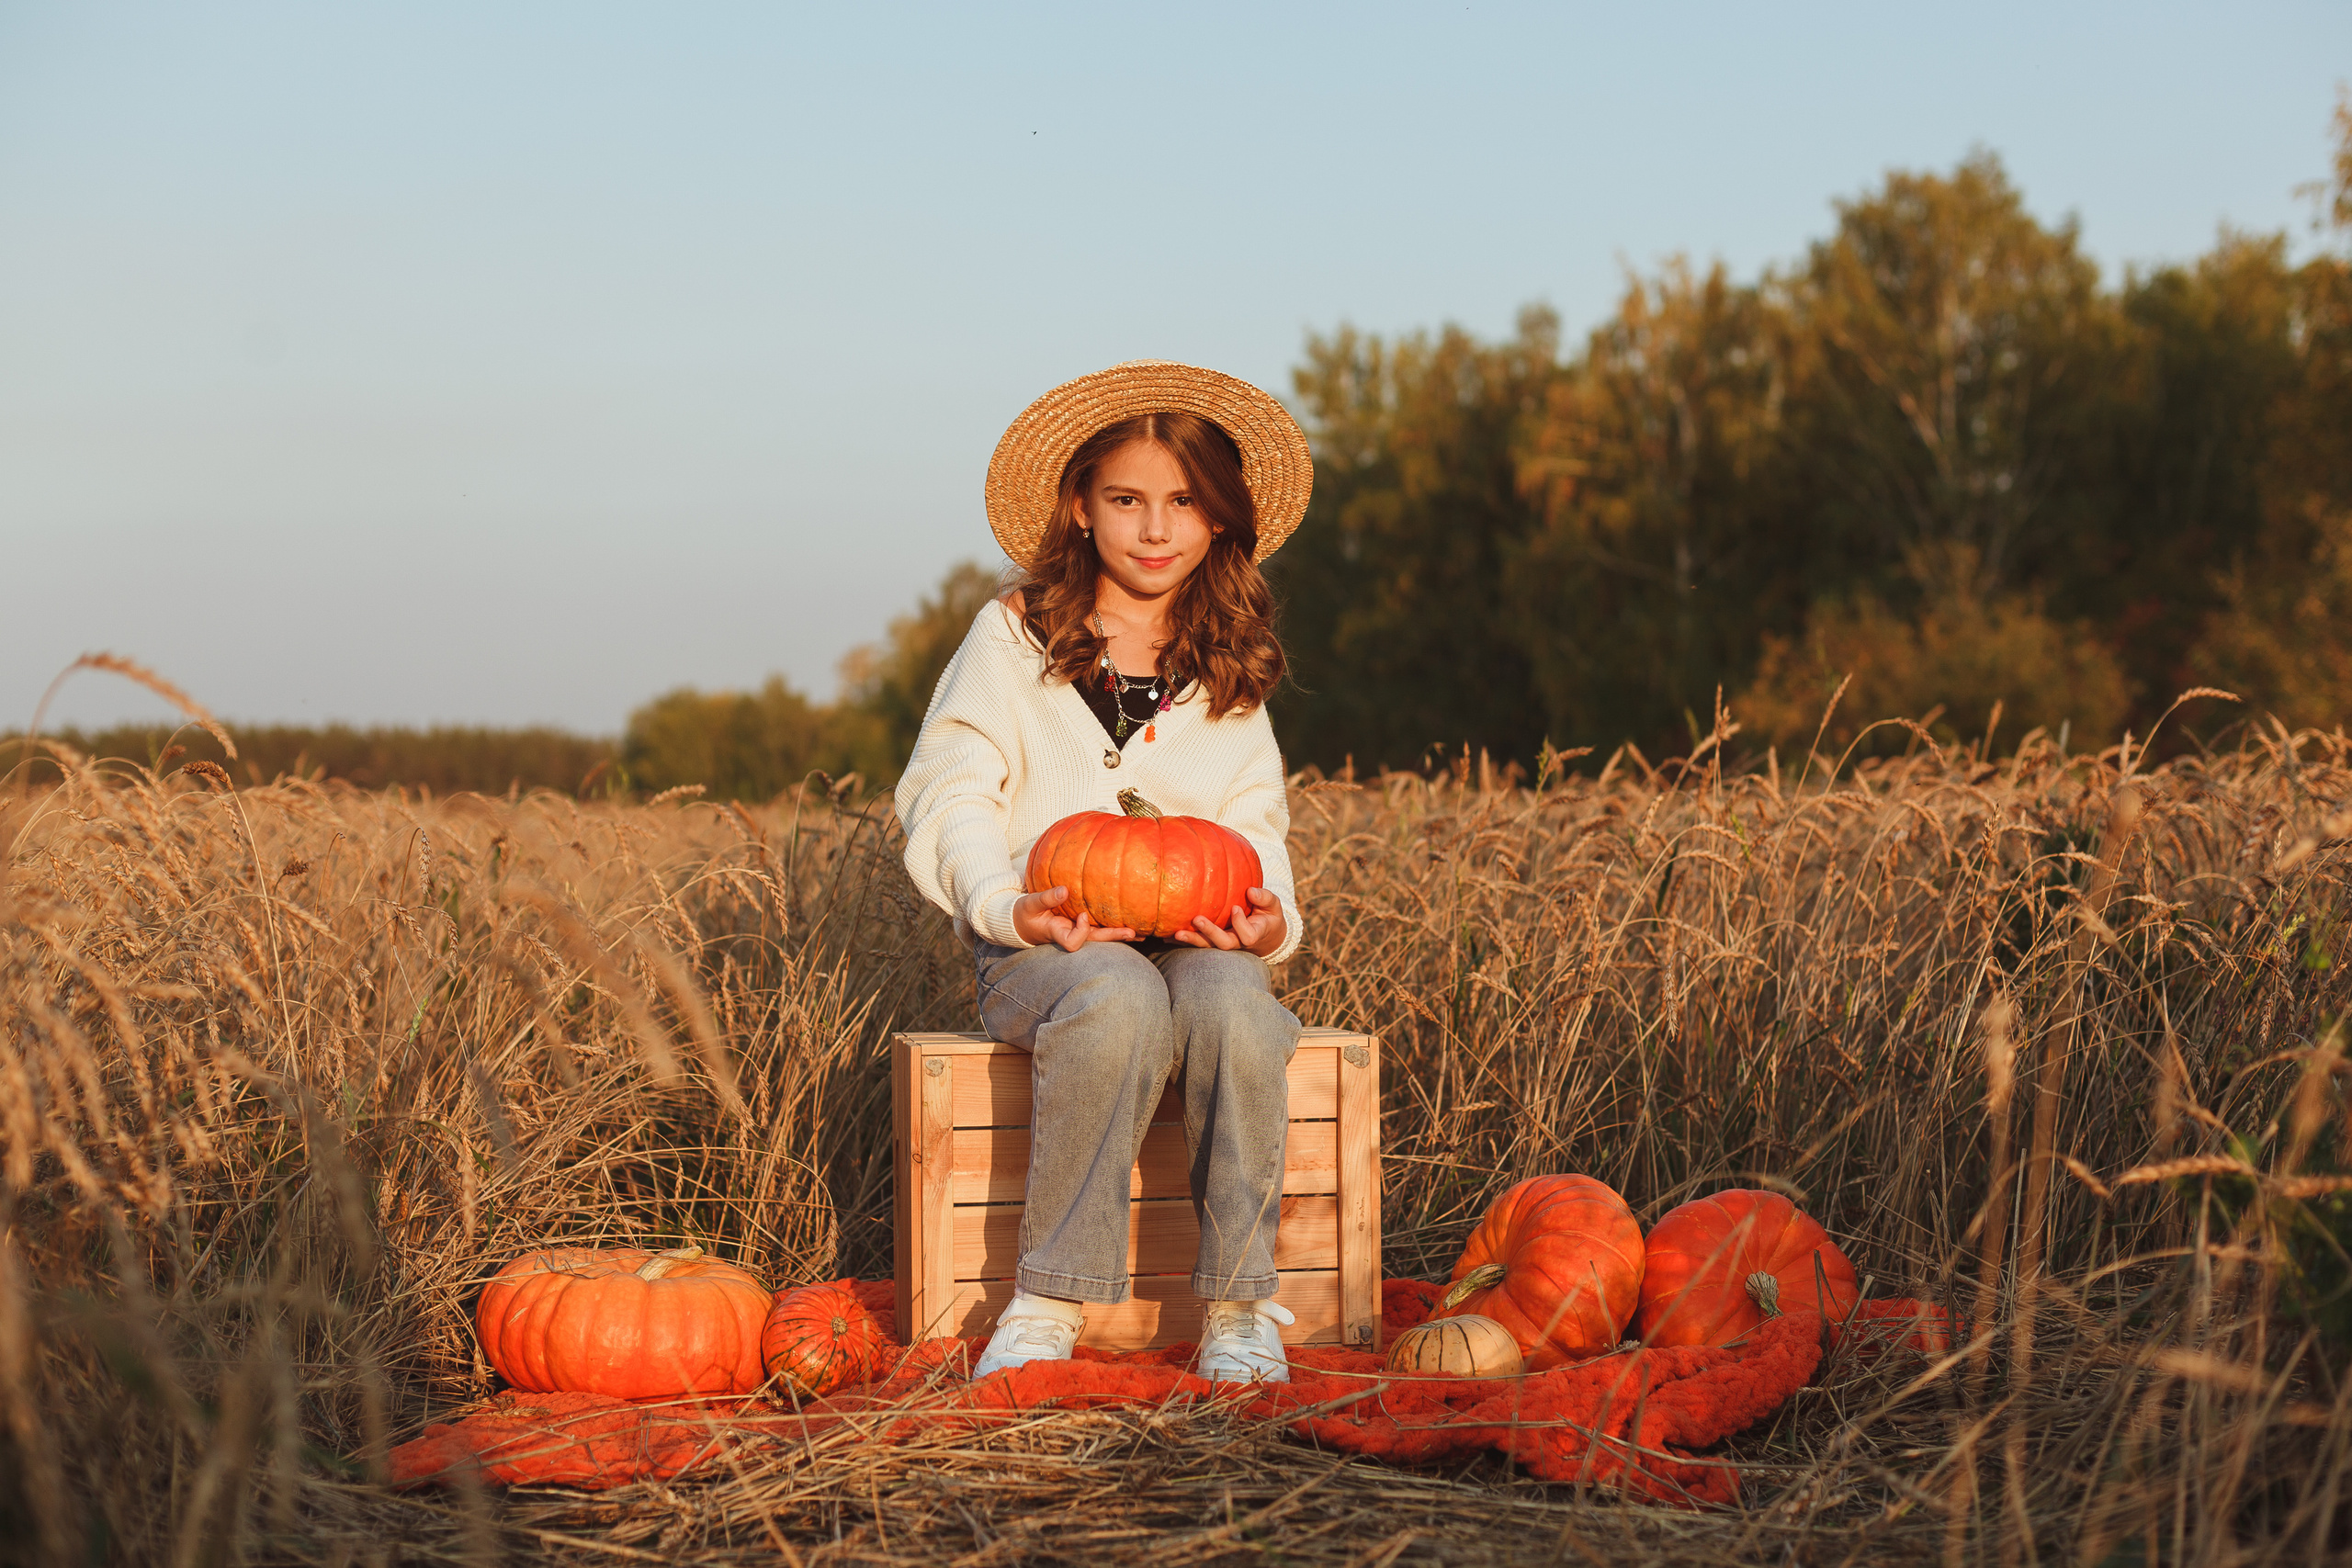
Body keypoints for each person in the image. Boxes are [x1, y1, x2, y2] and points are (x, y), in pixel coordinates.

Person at [895, 361, 1312, 1382]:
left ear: (1220, 522)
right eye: (1127, 500)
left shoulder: (1226, 666)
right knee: (1118, 996)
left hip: (1196, 933)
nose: (1155, 528)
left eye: (1184, 503)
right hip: (1048, 947)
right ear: (1081, 507)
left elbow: (1256, 827)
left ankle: (1237, 1306)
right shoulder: (1015, 636)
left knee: (1234, 1006)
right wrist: (1007, 907)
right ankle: (1048, 1298)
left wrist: (1270, 924)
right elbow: (949, 790)